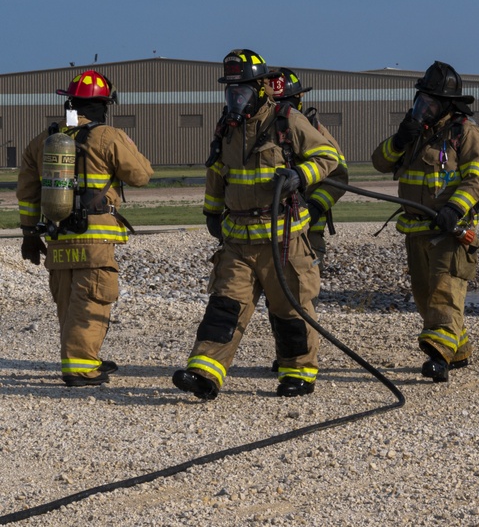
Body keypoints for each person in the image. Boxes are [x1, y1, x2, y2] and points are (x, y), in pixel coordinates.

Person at [172, 49, 343, 400]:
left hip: (283, 239)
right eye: (231, 92)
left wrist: (300, 174)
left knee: (289, 310)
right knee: (224, 307)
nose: (236, 98)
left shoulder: (287, 121)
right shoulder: (229, 127)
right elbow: (218, 171)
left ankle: (298, 373)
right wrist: (211, 212)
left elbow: (329, 158)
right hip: (238, 241)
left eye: (243, 91)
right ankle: (204, 372)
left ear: (262, 88)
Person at [16, 70, 154, 387]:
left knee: (68, 302)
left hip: (57, 235)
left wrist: (28, 235)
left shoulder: (43, 141)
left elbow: (26, 192)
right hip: (96, 237)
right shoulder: (108, 137)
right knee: (91, 301)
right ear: (102, 106)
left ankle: (84, 356)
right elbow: (141, 175)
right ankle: (80, 367)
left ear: (70, 102)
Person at [371, 61, 479, 382]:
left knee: (444, 293)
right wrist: (398, 141)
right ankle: (460, 349)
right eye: (420, 101)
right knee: (425, 297)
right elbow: (379, 162)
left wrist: (454, 208)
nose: (422, 108)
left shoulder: (465, 133)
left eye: (430, 103)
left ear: (447, 106)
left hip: (450, 231)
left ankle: (438, 359)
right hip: (416, 231)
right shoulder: (414, 134)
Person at [270, 67, 349, 270]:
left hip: (308, 233)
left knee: (304, 287)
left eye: (287, 103)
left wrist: (315, 207)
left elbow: (339, 177)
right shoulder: (257, 136)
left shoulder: (315, 132)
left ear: (299, 100)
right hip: (268, 230)